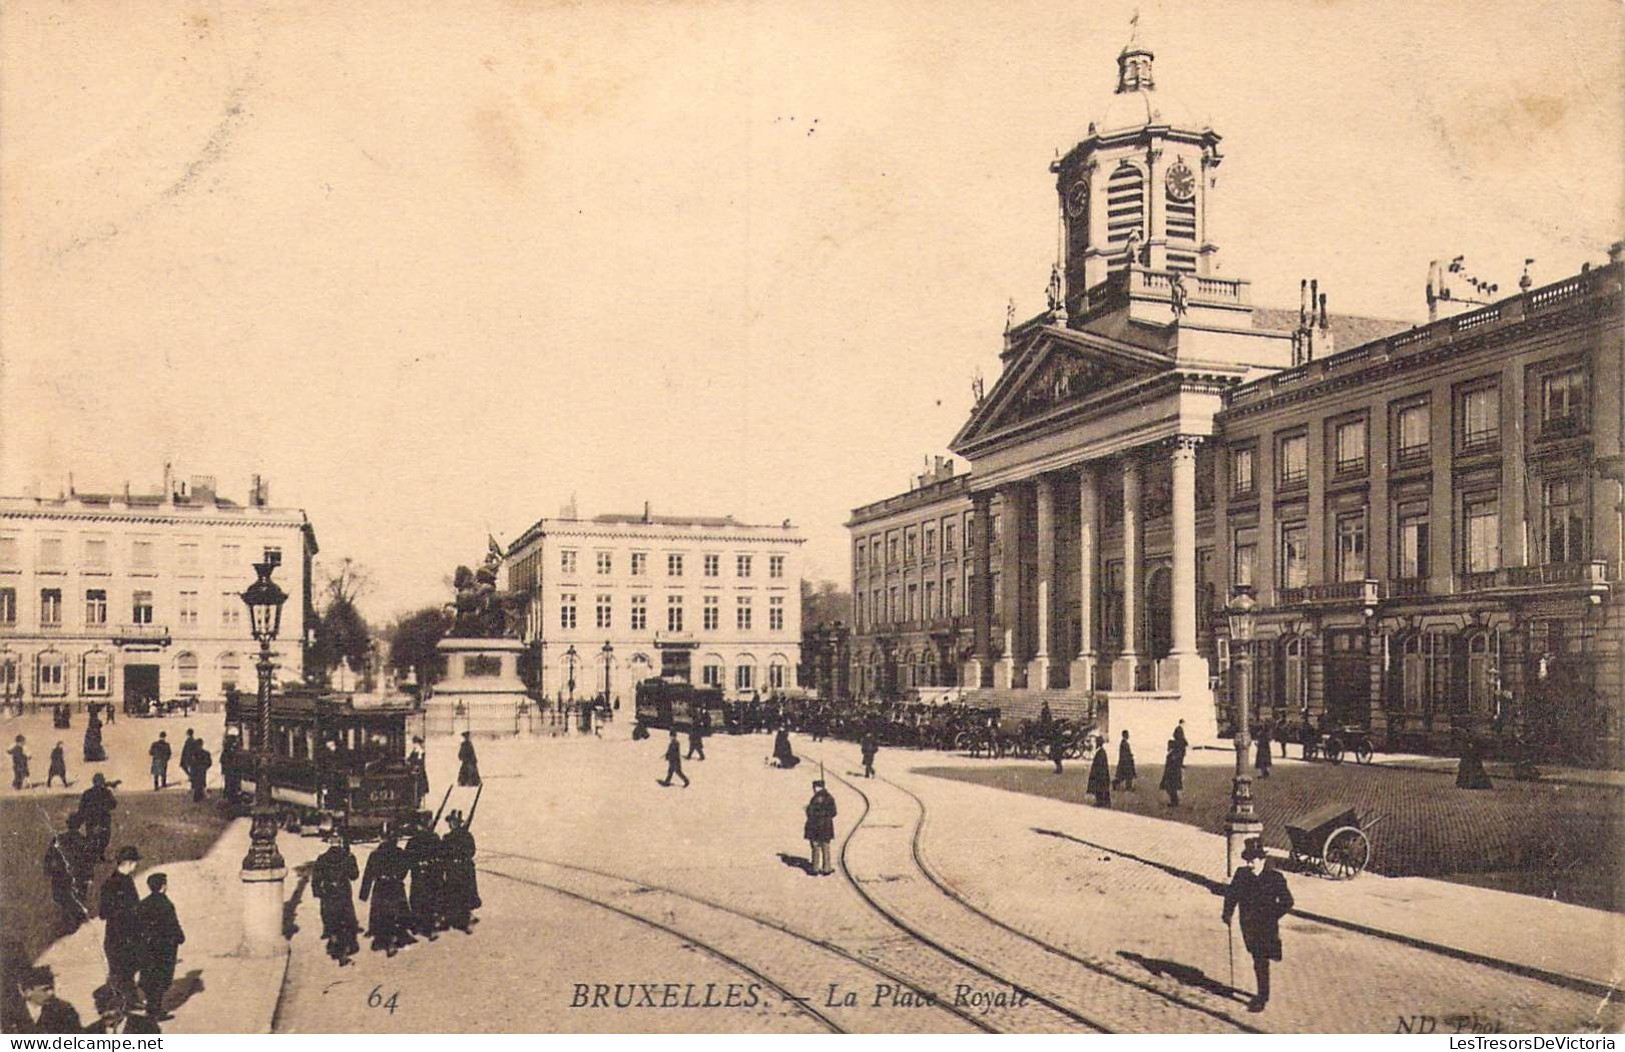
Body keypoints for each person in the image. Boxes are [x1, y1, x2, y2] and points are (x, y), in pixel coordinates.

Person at [1222, 838, 1295, 1013]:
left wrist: (1272, 915)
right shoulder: (1242, 874)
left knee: (1261, 961)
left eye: (1253, 860)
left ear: (1262, 860)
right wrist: (1227, 912)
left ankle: (1262, 996)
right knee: (1257, 959)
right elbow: (1231, 895)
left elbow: (1288, 901)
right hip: (1248, 925)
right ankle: (1262, 993)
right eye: (1247, 860)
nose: (1250, 864)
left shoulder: (1275, 878)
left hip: (1266, 927)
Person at [135, 872, 185, 1021]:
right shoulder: (166, 904)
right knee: (161, 978)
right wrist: (180, 937)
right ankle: (155, 1011)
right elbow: (173, 925)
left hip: (147, 948)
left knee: (150, 978)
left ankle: (151, 1008)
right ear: (163, 887)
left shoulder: (143, 904)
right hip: (164, 949)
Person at [359, 830, 414, 956]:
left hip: (381, 886)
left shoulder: (375, 854)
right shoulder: (400, 853)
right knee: (397, 913)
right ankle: (396, 938)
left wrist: (364, 894)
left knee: (381, 914)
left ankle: (386, 941)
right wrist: (397, 877)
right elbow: (405, 869)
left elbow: (368, 875)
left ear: (382, 839)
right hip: (396, 885)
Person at [100, 846, 144, 1003]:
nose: (136, 865)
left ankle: (129, 1001)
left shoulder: (115, 882)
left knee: (126, 971)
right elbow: (105, 913)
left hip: (120, 936)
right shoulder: (118, 883)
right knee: (122, 972)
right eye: (135, 862)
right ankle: (123, 1003)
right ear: (128, 863)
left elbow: (103, 912)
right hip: (120, 937)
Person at [311, 832, 361, 965]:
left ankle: (334, 941)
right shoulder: (348, 857)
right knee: (345, 921)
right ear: (340, 841)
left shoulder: (322, 858)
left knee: (331, 920)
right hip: (343, 892)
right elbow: (354, 876)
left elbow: (316, 879)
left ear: (329, 842)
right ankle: (343, 951)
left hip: (328, 893)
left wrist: (318, 893)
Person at [44, 815, 90, 932]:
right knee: (76, 900)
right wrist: (89, 877)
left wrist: (49, 871)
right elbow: (88, 861)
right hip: (77, 878)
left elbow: (49, 858)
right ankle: (75, 925)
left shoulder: (59, 839)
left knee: (66, 902)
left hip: (62, 878)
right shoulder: (83, 841)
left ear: (67, 824)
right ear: (79, 825)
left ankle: (70, 924)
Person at [6, 966, 82, 1033]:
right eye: (45, 990)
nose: (51, 993)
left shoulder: (65, 1010)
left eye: (52, 988)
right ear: (28, 991)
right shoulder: (11, 1014)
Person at [405, 813, 444, 940]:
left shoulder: (413, 841)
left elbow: (407, 860)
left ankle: (420, 927)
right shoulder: (435, 838)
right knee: (429, 901)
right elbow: (441, 857)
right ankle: (428, 928)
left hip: (420, 876)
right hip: (431, 875)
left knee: (418, 900)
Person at [440, 809, 480, 934]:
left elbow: (471, 851)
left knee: (463, 894)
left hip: (459, 868)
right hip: (459, 868)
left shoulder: (462, 836)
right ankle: (459, 919)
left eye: (453, 822)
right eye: (451, 822)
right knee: (457, 894)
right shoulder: (454, 836)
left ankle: (466, 920)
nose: (451, 824)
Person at [86, 984, 161, 1034]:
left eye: (111, 1008)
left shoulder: (147, 1027)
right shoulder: (90, 1032)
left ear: (122, 1007)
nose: (106, 1014)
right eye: (101, 1010)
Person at [80, 773, 118, 862]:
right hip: (103, 819)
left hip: (91, 819)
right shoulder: (106, 792)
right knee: (104, 837)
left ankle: (95, 855)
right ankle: (99, 854)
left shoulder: (87, 793)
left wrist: (82, 816)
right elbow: (113, 804)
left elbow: (82, 807)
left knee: (92, 836)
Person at [803, 780, 838, 876]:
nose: (813, 790)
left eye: (814, 788)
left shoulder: (814, 799)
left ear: (817, 787)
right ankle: (827, 868)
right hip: (826, 826)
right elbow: (834, 813)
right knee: (825, 846)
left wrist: (807, 809)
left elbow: (811, 813)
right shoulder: (830, 798)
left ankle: (815, 868)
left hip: (815, 826)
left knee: (815, 846)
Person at [1160, 730, 1187, 807]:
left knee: (1170, 788)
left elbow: (1172, 763)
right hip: (1172, 773)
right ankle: (1174, 801)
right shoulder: (1173, 753)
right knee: (1171, 788)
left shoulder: (1173, 754)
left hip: (1172, 774)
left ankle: (1174, 802)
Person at [1087, 737, 1112, 807]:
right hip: (1102, 774)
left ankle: (1101, 802)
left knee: (1100, 788)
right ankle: (1103, 802)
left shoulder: (1100, 753)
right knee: (1102, 788)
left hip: (1101, 775)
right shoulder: (1101, 752)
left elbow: (1099, 765)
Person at [220, 731, 243, 805]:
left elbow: (222, 761)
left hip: (230, 771)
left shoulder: (227, 751)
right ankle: (233, 799)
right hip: (232, 771)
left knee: (230, 784)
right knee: (232, 784)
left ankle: (231, 798)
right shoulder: (231, 751)